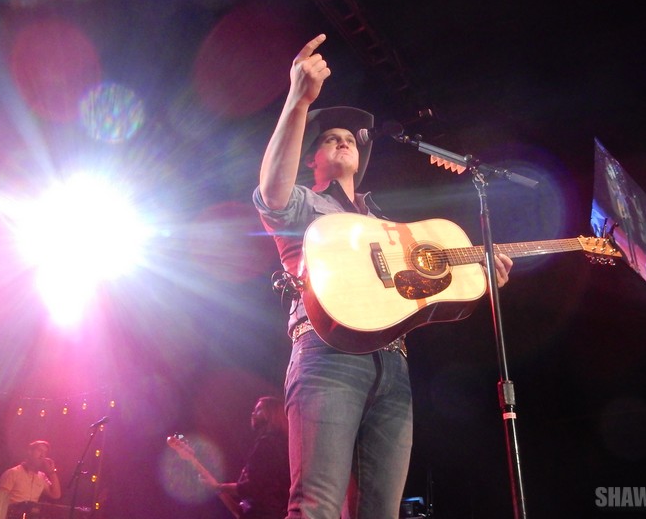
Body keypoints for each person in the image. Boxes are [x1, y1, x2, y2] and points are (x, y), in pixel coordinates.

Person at [252, 33, 514, 519]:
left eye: (350, 139)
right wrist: (298, 99)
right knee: (316, 507)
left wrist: (481, 276)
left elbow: (429, 290)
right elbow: (271, 191)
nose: (343, 141)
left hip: (393, 366)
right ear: (311, 158)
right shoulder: (305, 205)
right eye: (329, 138)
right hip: (326, 355)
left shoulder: (386, 227)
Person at [213, 396, 290, 519]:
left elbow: (253, 488)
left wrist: (219, 487)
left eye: (259, 409)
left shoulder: (267, 444)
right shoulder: (283, 444)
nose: (253, 413)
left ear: (271, 414)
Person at [0, 439, 62, 506]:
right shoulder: (13, 473)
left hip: (31, 512)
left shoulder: (41, 476)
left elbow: (56, 495)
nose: (42, 455)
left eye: (45, 453)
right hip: (13, 512)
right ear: (30, 451)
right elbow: (0, 501)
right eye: (40, 450)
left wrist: (51, 472)